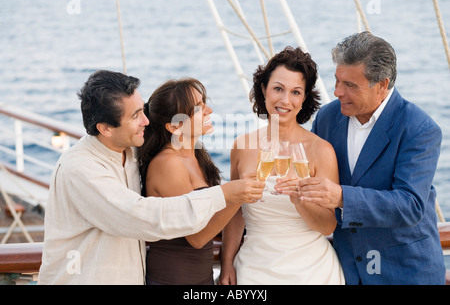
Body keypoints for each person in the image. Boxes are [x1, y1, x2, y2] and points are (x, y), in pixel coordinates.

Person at [38, 70, 264, 285]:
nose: (146, 121)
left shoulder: (131, 150)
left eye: (142, 110)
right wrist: (228, 194)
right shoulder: (81, 169)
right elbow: (143, 215)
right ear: (105, 128)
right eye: (135, 116)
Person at [293, 31, 446, 284]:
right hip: (346, 271)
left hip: (406, 272)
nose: (337, 91)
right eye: (337, 80)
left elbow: (410, 206)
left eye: (350, 85)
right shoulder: (327, 119)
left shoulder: (419, 128)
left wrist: (341, 196)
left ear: (382, 85)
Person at [219, 47, 345, 285]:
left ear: (304, 98)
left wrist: (300, 200)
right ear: (264, 89)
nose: (285, 100)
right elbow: (235, 214)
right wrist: (227, 264)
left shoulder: (321, 150)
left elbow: (328, 225)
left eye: (296, 92)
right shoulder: (242, 145)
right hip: (253, 271)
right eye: (278, 88)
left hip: (313, 272)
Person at [138, 78, 246, 285]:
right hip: (172, 279)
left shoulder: (195, 156)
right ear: (174, 126)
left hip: (200, 279)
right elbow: (196, 238)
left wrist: (227, 262)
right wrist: (235, 194)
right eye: (198, 108)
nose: (209, 110)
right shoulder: (167, 164)